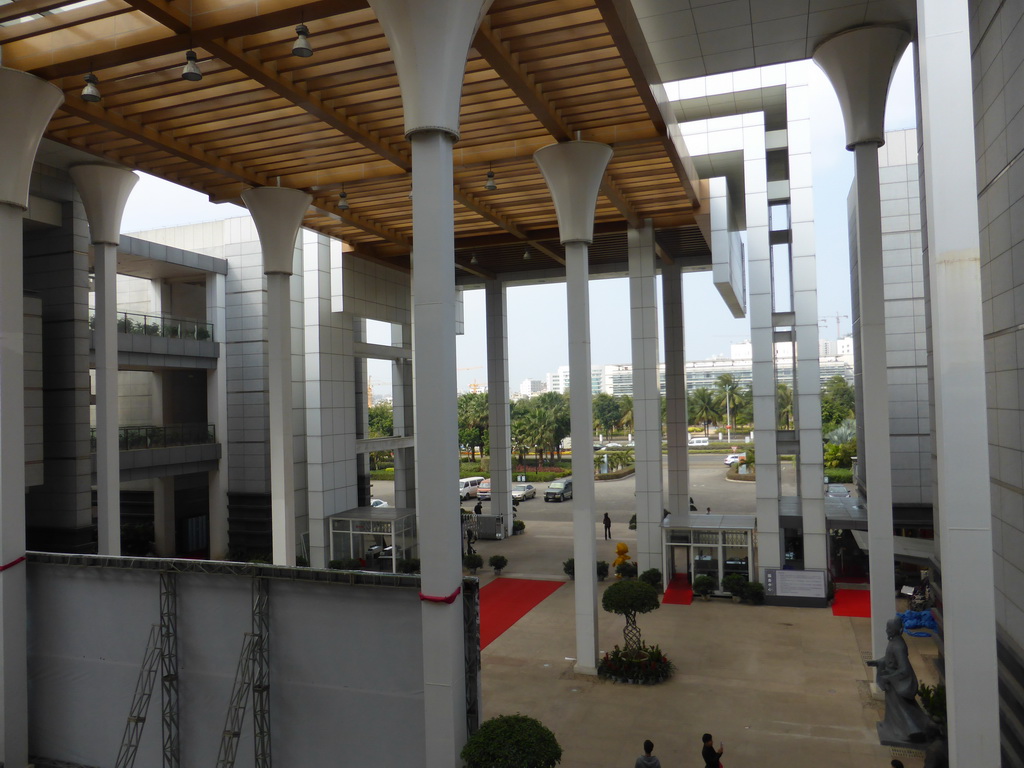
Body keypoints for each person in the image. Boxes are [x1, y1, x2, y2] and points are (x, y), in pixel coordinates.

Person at [867, 617, 931, 743]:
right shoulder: (894, 642)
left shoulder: (899, 646)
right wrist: (877, 662)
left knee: (902, 709)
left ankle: (909, 731)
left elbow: (904, 668)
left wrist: (888, 677)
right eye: (887, 628)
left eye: (889, 629)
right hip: (893, 680)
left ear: (895, 630)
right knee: (895, 708)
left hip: (897, 681)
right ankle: (894, 727)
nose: (887, 631)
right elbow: (889, 658)